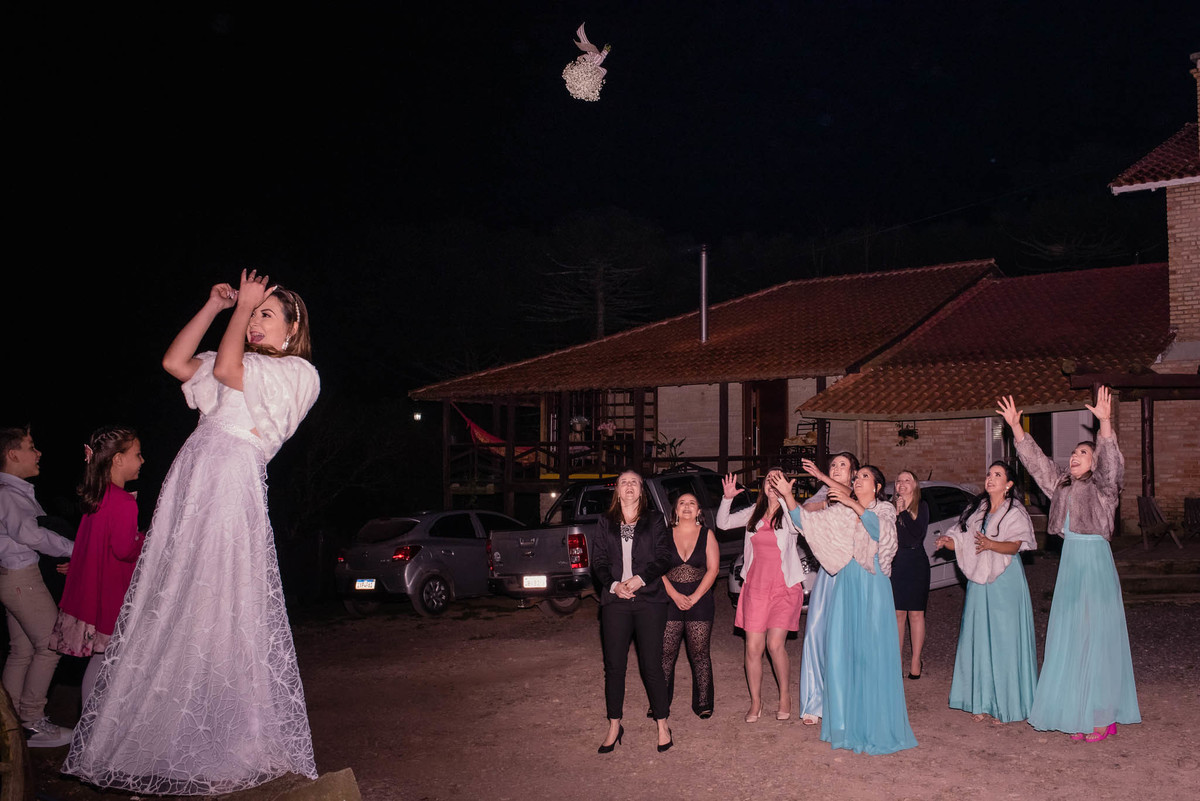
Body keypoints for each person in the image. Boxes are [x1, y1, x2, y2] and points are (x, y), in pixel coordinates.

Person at [63, 270, 321, 793]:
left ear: (292, 329)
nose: (253, 322)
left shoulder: (296, 372)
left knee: (219, 598)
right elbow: (176, 362)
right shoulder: (240, 357)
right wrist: (213, 307)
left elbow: (226, 368)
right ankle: (166, 733)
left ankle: (228, 738)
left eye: (265, 315)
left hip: (231, 477)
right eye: (252, 315)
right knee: (177, 594)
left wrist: (241, 307)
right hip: (194, 476)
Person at [999, 387, 1140, 742]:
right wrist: (1017, 429)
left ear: (1094, 462)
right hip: (1071, 564)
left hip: (1095, 563)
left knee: (1098, 638)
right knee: (1072, 638)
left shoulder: (1105, 487)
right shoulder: (1061, 486)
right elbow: (1038, 464)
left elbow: (1112, 466)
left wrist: (1105, 424)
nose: (1075, 456)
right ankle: (1078, 711)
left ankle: (1103, 716)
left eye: (1082, 452)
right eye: (1074, 452)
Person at [783, 466, 917, 755]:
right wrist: (787, 496)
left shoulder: (885, 510)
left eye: (863, 477)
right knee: (845, 652)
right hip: (846, 582)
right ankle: (846, 723)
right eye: (855, 478)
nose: (856, 480)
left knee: (872, 652)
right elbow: (807, 523)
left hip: (873, 584)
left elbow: (880, 532)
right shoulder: (842, 511)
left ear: (878, 486)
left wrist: (851, 502)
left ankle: (876, 724)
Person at [49, 426, 146, 707]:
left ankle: (90, 718)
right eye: (137, 455)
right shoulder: (124, 501)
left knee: (100, 659)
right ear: (117, 459)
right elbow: (124, 549)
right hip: (114, 595)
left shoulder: (98, 496)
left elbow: (90, 545)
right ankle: (98, 719)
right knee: (111, 659)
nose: (142, 461)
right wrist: (146, 539)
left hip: (98, 592)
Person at [936, 461, 1038, 724]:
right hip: (979, 581)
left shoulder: (1015, 512)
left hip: (1005, 580)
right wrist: (948, 541)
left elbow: (1015, 546)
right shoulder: (977, 510)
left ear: (1009, 484)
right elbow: (963, 539)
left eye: (998, 475)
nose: (991, 478)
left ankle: (1005, 704)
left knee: (1004, 640)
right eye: (989, 474)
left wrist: (992, 543)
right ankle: (979, 700)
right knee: (978, 637)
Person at [0, 426, 75, 748]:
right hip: (21, 580)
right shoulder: (9, 494)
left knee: (23, 650)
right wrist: (77, 549)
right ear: (12, 454)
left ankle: (9, 722)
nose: (38, 452)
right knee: (51, 645)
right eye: (31, 446)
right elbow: (30, 535)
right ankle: (31, 722)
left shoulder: (13, 492)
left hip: (11, 578)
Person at [591, 470, 674, 753]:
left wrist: (640, 579)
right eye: (623, 482)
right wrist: (614, 585)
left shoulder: (655, 520)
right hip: (615, 602)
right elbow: (598, 561)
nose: (628, 486)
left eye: (634, 483)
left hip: (649, 600)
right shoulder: (605, 522)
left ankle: (663, 724)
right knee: (614, 666)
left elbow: (665, 557)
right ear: (616, 489)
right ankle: (614, 724)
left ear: (641, 490)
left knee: (651, 665)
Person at [718, 468, 808, 723]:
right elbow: (723, 523)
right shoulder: (753, 514)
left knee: (774, 645)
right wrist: (727, 499)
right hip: (755, 589)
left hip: (783, 589)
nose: (772, 483)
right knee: (753, 648)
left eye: (777, 479)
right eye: (769, 479)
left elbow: (802, 526)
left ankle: (784, 696)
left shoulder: (790, 513)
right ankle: (756, 702)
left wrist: (787, 498)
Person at [796, 452, 857, 726]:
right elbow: (802, 513)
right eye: (833, 464)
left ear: (853, 473)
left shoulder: (859, 491)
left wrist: (822, 476)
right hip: (826, 574)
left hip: (850, 573)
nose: (835, 468)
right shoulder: (824, 493)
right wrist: (825, 502)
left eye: (842, 465)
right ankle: (814, 701)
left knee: (845, 638)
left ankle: (844, 701)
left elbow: (851, 498)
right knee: (816, 634)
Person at [660, 492, 720, 719]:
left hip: (700, 599)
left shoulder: (707, 535)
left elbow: (713, 570)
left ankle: (703, 701)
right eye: (682, 503)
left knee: (699, 652)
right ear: (675, 510)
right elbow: (656, 570)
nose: (686, 506)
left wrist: (694, 597)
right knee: (665, 652)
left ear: (699, 512)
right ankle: (660, 701)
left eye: (692, 503)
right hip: (668, 598)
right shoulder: (664, 536)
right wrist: (675, 595)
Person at [890, 470, 930, 680]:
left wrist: (903, 512)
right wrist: (894, 512)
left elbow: (916, 535)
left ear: (915, 485)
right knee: (897, 614)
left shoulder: (921, 507)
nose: (902, 483)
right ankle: (896, 660)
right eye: (899, 480)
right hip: (896, 563)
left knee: (916, 614)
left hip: (916, 563)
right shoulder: (889, 508)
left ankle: (916, 660)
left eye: (907, 480)